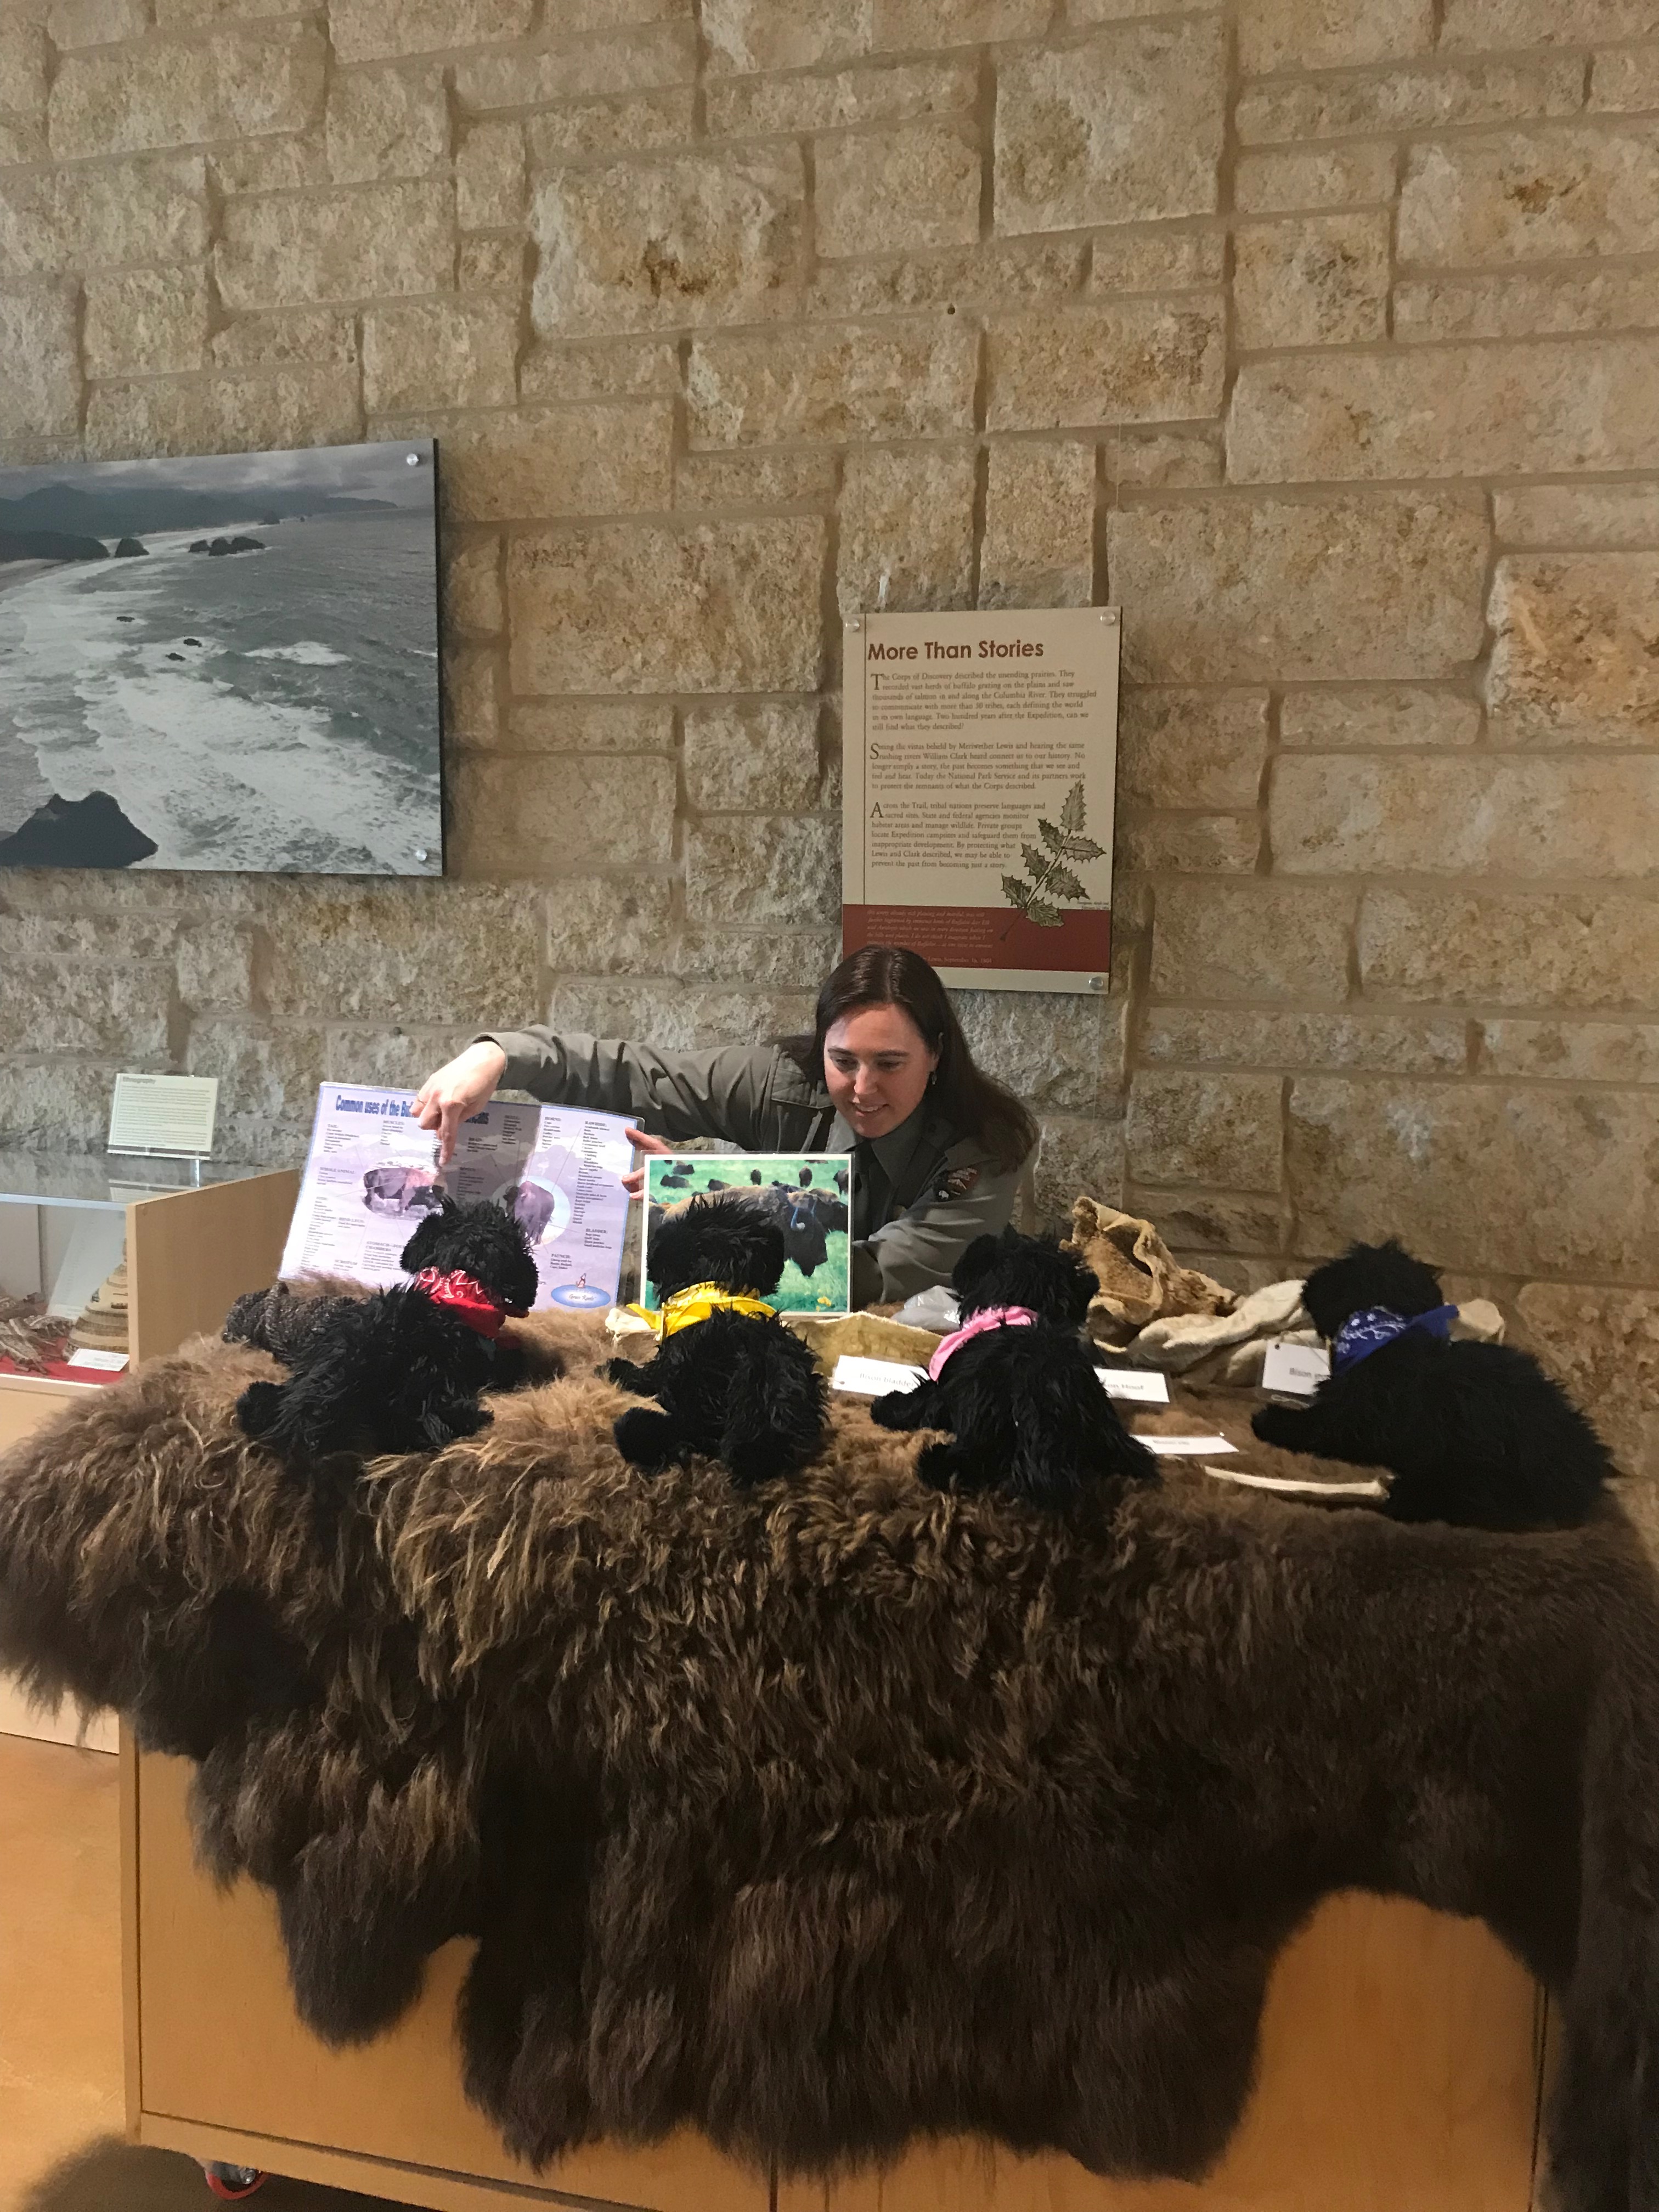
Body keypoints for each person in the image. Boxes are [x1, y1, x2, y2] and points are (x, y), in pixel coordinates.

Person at [413, 945, 1039, 1308]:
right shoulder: (778, 1081)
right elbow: (639, 1077)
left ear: (935, 1055)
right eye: (843, 1061)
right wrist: (499, 1055)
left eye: (890, 1064)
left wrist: (701, 1205)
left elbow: (873, 1274)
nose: (863, 1088)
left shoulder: (986, 1147)